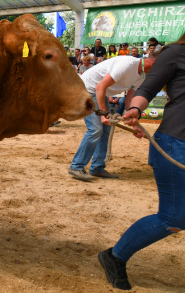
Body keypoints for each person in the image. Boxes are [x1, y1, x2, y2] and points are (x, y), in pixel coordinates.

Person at [98, 34, 184, 291]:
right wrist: (135, 109)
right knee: (174, 217)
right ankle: (114, 256)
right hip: (177, 143)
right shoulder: (175, 53)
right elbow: (147, 89)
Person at [68, 52, 160, 181]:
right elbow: (100, 86)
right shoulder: (127, 64)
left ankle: (97, 168)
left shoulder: (143, 75)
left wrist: (135, 125)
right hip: (87, 89)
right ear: (155, 64)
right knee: (96, 129)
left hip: (100, 92)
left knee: (105, 130)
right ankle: (76, 166)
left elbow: (129, 100)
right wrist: (103, 114)